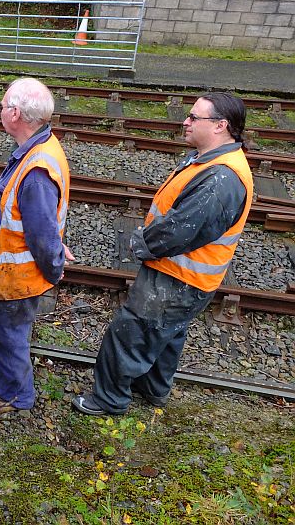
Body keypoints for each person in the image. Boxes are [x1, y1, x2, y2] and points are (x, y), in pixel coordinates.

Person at [73, 92, 253, 416]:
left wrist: (141, 244)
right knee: (167, 333)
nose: (185, 121)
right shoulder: (211, 159)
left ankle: (108, 399)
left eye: (194, 117)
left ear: (220, 126)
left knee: (131, 332)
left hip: (176, 278)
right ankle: (153, 389)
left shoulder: (222, 177)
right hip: (189, 278)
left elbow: (181, 229)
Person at [0, 78, 72, 414]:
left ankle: (16, 394)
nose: (0, 110)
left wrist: (53, 267)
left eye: (4, 105)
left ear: (17, 114)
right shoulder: (36, 147)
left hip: (16, 275)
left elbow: (41, 233)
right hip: (3, 268)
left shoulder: (37, 170)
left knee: (8, 334)